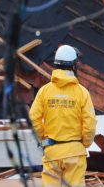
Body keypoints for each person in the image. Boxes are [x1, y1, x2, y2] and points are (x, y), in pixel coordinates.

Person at [29, 45, 97, 187]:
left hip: (52, 153)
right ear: (73, 65)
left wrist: (43, 138)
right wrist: (84, 143)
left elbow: (33, 119)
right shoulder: (82, 93)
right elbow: (90, 123)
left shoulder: (44, 91)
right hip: (75, 153)